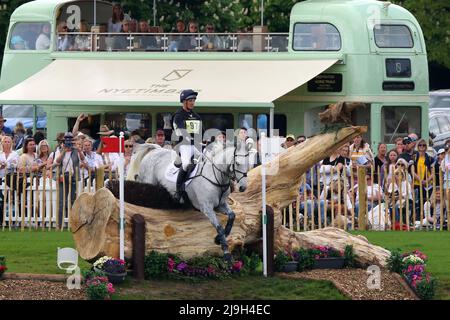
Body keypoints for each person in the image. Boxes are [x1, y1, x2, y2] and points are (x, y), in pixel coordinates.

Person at [171, 89, 202, 201]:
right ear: (184, 101)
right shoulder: (178, 115)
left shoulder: (196, 116)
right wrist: (190, 138)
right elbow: (180, 131)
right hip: (182, 145)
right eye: (190, 100)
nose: (193, 102)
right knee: (185, 164)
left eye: (194, 100)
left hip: (195, 144)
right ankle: (178, 191)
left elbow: (199, 132)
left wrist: (205, 140)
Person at [53, 132, 86, 227]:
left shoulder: (76, 150)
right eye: (66, 140)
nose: (68, 142)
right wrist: (64, 151)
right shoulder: (59, 150)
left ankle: (74, 223)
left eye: (70, 140)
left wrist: (79, 150)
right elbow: (57, 162)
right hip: (62, 177)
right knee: (61, 201)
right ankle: (59, 224)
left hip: (73, 177)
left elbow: (83, 160)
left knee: (73, 200)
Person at [412, 139, 433, 203]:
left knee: (427, 202)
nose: (422, 146)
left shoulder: (430, 158)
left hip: (428, 184)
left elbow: (433, 172)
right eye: (420, 145)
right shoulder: (414, 157)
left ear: (426, 147)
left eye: (424, 145)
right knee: (418, 203)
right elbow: (412, 171)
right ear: (417, 146)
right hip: (417, 183)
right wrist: (420, 180)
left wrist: (427, 181)